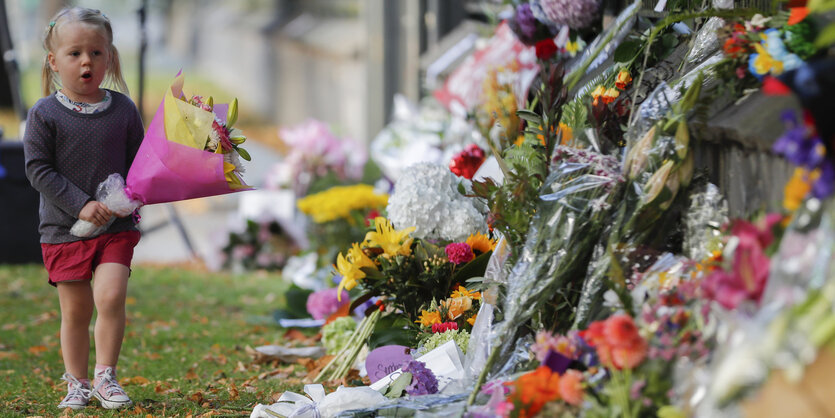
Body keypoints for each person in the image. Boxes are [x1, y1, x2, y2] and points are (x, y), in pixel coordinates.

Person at [22, 7, 144, 411]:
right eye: (75, 53)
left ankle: (106, 377)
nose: (87, 61)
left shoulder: (124, 110)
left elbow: (139, 164)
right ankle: (77, 383)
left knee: (110, 298)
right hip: (63, 229)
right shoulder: (44, 114)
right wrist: (81, 204)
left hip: (115, 227)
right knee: (76, 311)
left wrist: (138, 194)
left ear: (110, 57)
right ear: (54, 62)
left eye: (96, 52)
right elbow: (38, 169)